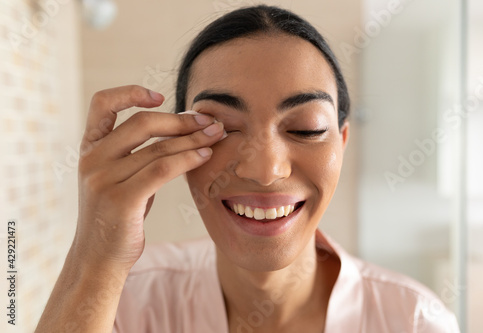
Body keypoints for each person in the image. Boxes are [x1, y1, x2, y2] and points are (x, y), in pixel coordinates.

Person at [36, 5, 460, 333]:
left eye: (305, 128)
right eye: (221, 127)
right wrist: (95, 256)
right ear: (176, 140)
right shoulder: (125, 300)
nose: (265, 169)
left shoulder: (413, 320)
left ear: (342, 142)